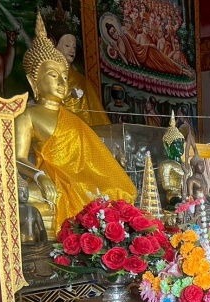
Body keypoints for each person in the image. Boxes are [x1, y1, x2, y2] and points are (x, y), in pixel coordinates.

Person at [15, 13, 136, 232]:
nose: (62, 83)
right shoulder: (28, 115)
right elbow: (18, 158)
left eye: (64, 76)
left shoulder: (71, 118)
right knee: (25, 197)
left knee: (116, 189)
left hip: (80, 175)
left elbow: (92, 156)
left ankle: (109, 232)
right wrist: (39, 176)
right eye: (54, 76)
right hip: (52, 177)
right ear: (34, 81)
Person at [55, 33, 111, 126]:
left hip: (80, 127)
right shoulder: (49, 77)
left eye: (74, 47)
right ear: (56, 48)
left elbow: (94, 113)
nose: (72, 50)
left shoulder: (82, 80)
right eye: (67, 46)